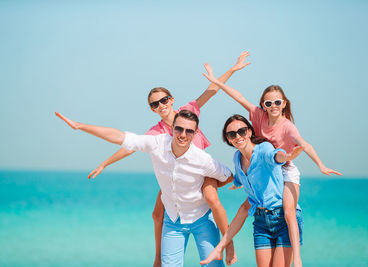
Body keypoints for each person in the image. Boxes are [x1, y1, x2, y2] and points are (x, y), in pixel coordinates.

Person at [87, 51, 250, 266]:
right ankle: (159, 258)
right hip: (175, 175)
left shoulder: (187, 112)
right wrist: (104, 163)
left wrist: (233, 68)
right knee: (157, 214)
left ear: (171, 100)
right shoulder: (156, 132)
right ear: (152, 109)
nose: (161, 105)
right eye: (155, 104)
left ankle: (228, 244)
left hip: (201, 171)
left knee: (210, 197)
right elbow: (129, 146)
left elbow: (211, 91)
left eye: (163, 100)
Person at [202, 60, 342, 267]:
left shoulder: (287, 127)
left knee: (288, 211)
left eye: (278, 102)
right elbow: (238, 97)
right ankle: (223, 247)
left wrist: (319, 164)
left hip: (284, 165)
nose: (273, 106)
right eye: (268, 103)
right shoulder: (257, 118)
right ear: (263, 105)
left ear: (284, 103)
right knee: (249, 204)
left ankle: (298, 260)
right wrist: (217, 80)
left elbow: (300, 146)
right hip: (264, 175)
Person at [55, 110, 234, 267]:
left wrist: (208, 185)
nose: (183, 134)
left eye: (189, 131)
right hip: (173, 221)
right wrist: (79, 126)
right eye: (179, 129)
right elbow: (120, 137)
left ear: (195, 134)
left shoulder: (203, 160)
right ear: (172, 129)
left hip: (201, 219)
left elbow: (229, 176)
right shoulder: (156, 143)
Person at [201, 114, 304, 267]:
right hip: (261, 221)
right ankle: (219, 248)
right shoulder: (237, 158)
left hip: (282, 218)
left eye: (241, 131)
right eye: (232, 134)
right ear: (228, 139)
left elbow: (275, 156)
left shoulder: (263, 149)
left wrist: (287, 155)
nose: (238, 136)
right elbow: (239, 178)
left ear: (249, 132)